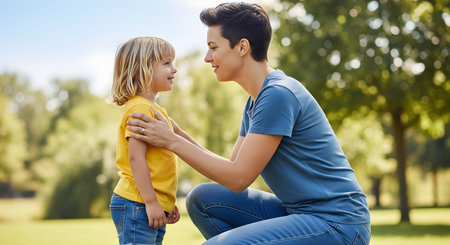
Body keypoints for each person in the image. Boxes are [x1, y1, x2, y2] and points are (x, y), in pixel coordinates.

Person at [127, 2, 371, 244]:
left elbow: (239, 178)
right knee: (202, 199)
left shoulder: (279, 94)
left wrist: (170, 141)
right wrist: (176, 133)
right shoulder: (256, 101)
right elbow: (233, 168)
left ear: (242, 46)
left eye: (213, 47)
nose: (207, 57)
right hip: (300, 214)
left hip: (338, 223)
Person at [109, 37, 180, 245]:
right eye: (167, 63)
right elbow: (136, 158)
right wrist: (151, 202)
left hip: (146, 202)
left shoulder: (155, 109)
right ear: (144, 69)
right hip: (137, 203)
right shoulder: (139, 108)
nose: (174, 70)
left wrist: (165, 201)